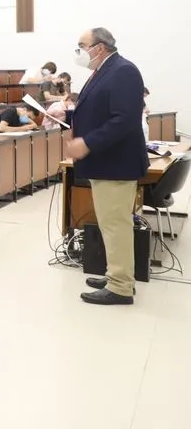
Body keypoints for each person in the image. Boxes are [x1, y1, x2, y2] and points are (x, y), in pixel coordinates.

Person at [66, 28, 147, 305]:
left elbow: (124, 120)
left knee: (115, 225)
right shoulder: (104, 70)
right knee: (110, 223)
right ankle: (117, 274)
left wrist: (87, 142)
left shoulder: (123, 70)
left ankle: (121, 287)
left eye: (82, 45)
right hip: (107, 163)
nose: (78, 51)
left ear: (99, 47)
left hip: (116, 163)